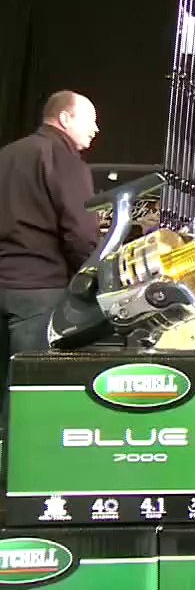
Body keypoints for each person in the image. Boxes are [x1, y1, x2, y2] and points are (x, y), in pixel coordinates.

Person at [0, 90, 101, 410]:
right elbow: (80, 231)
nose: (96, 129)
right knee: (29, 395)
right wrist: (91, 276)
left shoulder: (6, 154)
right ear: (65, 118)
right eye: (91, 121)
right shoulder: (64, 159)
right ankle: (19, 460)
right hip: (38, 291)